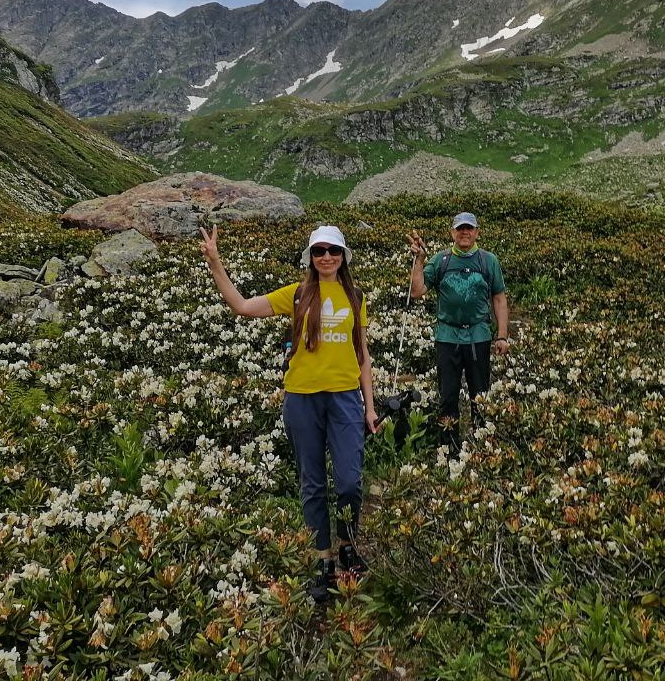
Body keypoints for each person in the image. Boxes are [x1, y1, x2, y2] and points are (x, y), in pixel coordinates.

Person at [200, 223, 379, 603]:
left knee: (349, 481)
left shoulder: (355, 296)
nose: (326, 257)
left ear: (343, 256)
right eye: (319, 251)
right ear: (311, 257)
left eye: (333, 251)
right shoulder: (296, 294)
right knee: (312, 482)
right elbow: (242, 306)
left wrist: (370, 406)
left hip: (346, 398)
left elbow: (363, 356)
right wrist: (215, 263)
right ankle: (323, 559)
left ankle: (347, 544)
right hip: (301, 398)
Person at [407, 212, 509, 451]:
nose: (465, 232)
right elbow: (417, 291)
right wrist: (420, 260)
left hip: (479, 336)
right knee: (448, 397)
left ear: (477, 232)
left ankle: (482, 447)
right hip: (447, 338)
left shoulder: (489, 261)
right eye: (460, 228)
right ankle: (449, 449)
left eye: (469, 228)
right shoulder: (440, 261)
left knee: (481, 396)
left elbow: (499, 298)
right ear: (452, 232)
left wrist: (502, 335)